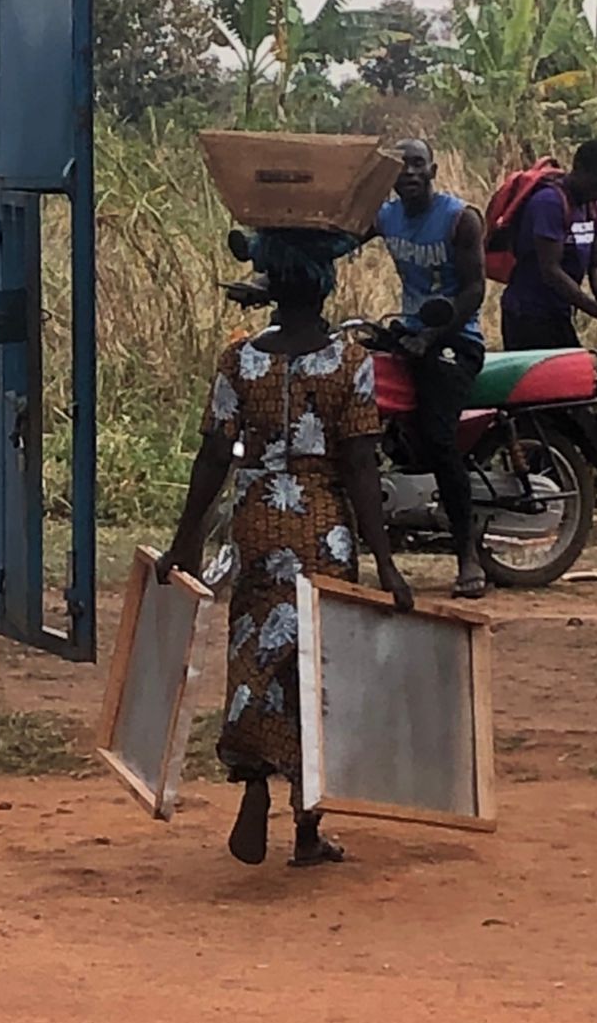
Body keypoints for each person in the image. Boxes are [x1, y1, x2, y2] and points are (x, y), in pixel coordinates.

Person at [158, 228, 413, 869]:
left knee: (255, 655)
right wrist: (386, 564)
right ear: (324, 285)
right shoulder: (349, 362)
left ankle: (251, 778)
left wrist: (182, 544)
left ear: (270, 281)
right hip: (322, 527)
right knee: (316, 670)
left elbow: (214, 454)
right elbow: (360, 467)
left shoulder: (239, 359)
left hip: (257, 523)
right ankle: (307, 828)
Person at [369, 138, 488, 600]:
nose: (409, 173)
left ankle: (467, 555)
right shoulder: (386, 216)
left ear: (433, 168)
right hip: (412, 333)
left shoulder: (460, 219)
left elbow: (475, 289)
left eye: (417, 164)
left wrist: (432, 335)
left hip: (456, 339)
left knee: (440, 440)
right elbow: (341, 235)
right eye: (401, 166)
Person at [501, 139, 597, 351]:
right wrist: (595, 310)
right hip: (527, 315)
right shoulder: (550, 203)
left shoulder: (594, 206)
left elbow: (595, 265)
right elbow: (551, 271)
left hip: (560, 312)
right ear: (580, 170)